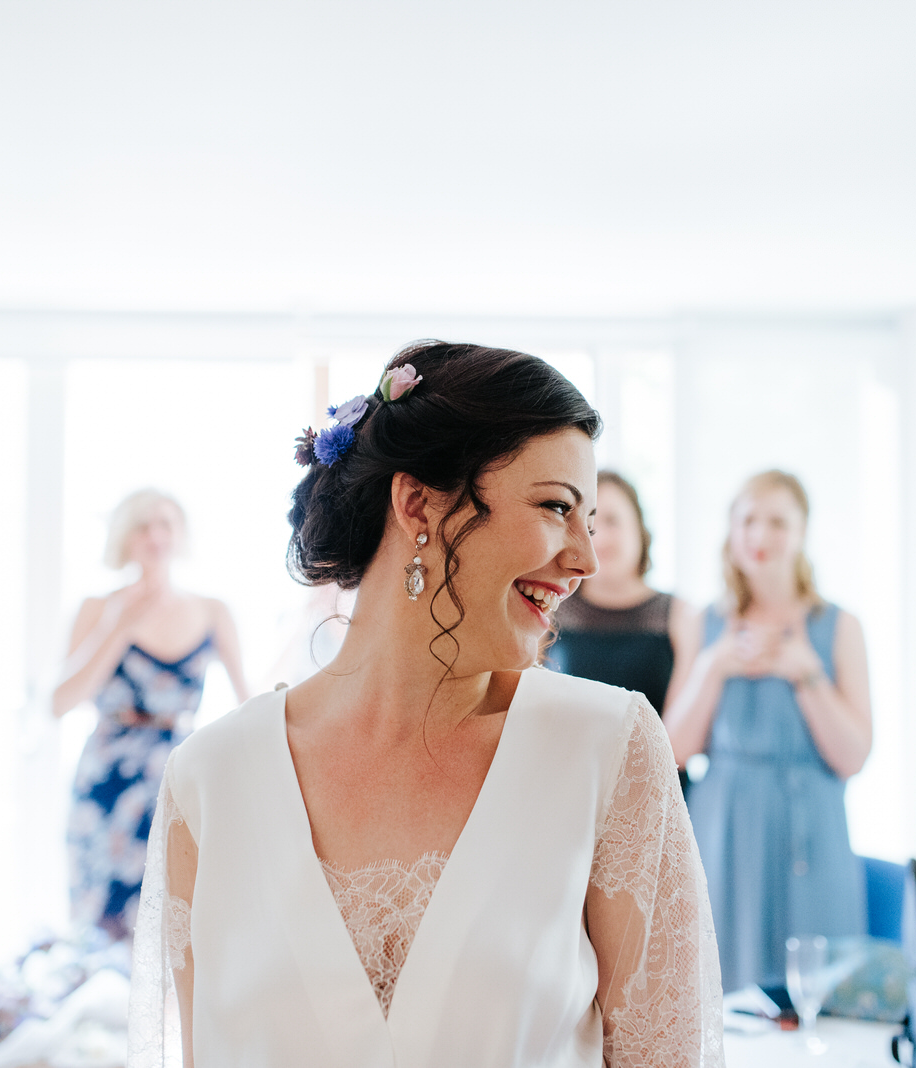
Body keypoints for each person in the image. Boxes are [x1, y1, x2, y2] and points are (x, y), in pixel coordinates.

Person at [128, 342, 723, 1067]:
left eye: (590, 521)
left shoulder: (607, 748)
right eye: (555, 507)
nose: (584, 560)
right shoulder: (210, 780)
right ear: (417, 503)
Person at [665, 469, 871, 997]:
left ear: (802, 533)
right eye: (748, 520)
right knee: (724, 987)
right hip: (726, 825)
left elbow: (852, 757)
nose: (760, 536)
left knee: (817, 986)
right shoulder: (703, 623)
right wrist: (713, 667)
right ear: (730, 531)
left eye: (777, 522)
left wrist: (806, 674)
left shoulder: (840, 627)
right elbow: (674, 751)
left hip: (813, 827)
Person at [53, 488, 250, 942]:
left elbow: (248, 703)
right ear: (125, 537)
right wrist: (116, 628)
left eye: (166, 524)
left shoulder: (212, 611)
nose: (156, 535)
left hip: (178, 771)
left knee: (177, 917)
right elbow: (60, 701)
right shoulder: (99, 609)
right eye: (144, 525)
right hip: (109, 775)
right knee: (103, 922)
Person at [546, 471, 699, 723]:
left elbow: (681, 736)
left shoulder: (680, 615)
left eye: (613, 521)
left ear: (639, 528)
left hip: (659, 762)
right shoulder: (552, 607)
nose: (601, 538)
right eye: (589, 527)